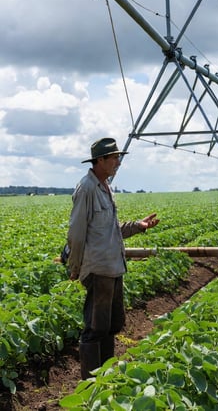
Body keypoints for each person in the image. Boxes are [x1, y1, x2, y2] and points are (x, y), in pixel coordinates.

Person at [67, 137, 159, 380]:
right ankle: (90, 384)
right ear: (100, 160)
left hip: (114, 267)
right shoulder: (86, 188)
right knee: (95, 329)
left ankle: (106, 377)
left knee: (112, 326)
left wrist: (138, 226)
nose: (118, 162)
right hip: (98, 269)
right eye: (115, 157)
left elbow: (111, 228)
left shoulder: (106, 187)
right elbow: (76, 233)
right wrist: (74, 267)